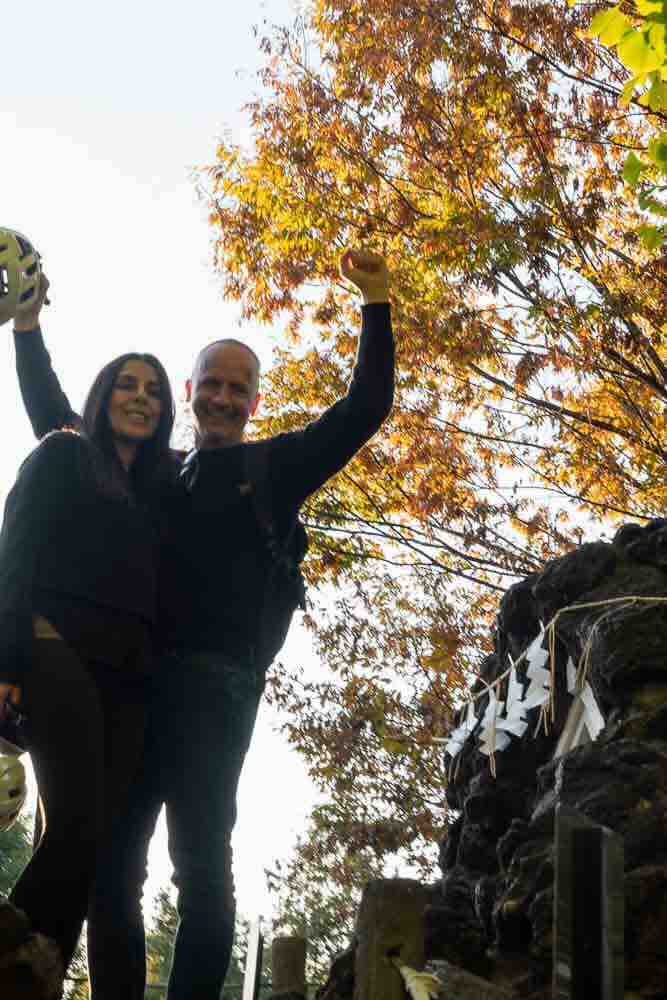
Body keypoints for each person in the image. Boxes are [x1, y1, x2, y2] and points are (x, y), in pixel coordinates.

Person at [14, 248, 394, 1000]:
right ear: (189, 392)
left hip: (216, 687)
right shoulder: (156, 474)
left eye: (237, 388)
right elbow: (63, 422)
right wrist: (26, 331)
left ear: (254, 400)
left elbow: (363, 411)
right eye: (210, 384)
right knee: (112, 863)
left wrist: (376, 303)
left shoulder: (273, 468)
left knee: (197, 864)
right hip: (134, 679)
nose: (221, 398)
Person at [0, 274, 176, 993]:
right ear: (103, 397)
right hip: (52, 653)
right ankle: (13, 955)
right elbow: (15, 552)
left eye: (155, 390)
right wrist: (8, 660)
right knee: (75, 822)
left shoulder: (160, 491)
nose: (140, 396)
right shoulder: (64, 456)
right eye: (127, 384)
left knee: (94, 841)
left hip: (127, 678)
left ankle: (39, 969)